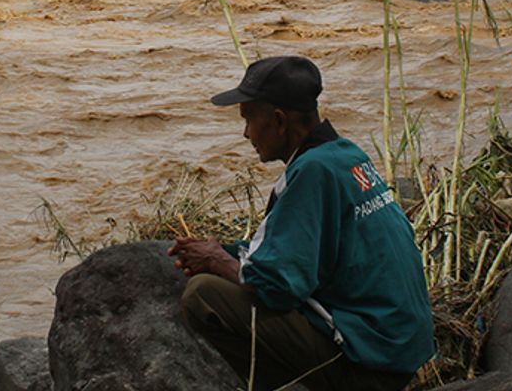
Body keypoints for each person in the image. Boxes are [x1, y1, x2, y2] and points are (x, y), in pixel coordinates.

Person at [170, 56, 434, 391]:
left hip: (370, 363)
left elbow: (276, 285)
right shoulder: (345, 155)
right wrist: (223, 250)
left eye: (249, 119)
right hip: (399, 349)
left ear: (279, 121)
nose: (246, 133)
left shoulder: (311, 173)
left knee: (203, 295)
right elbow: (297, 248)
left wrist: (215, 259)